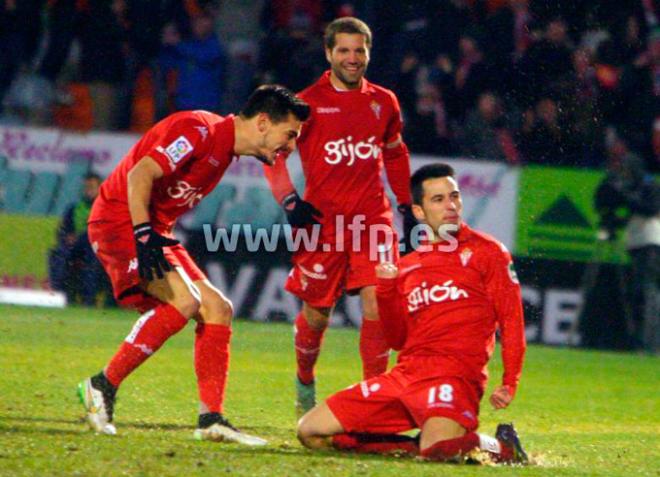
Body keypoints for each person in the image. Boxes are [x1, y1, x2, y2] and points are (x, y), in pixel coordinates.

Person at [77, 85, 310, 443]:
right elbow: (140, 174)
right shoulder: (198, 129)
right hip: (120, 221)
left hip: (152, 230)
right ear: (263, 122)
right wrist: (141, 233)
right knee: (184, 301)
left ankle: (210, 419)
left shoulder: (224, 152)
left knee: (218, 308)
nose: (291, 146)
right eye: (290, 134)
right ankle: (101, 385)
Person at [297, 163, 529, 464]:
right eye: (438, 199)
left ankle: (502, 446)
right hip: (406, 376)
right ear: (419, 212)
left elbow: (511, 319)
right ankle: (416, 446)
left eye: (454, 196)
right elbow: (396, 339)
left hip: (454, 376)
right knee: (310, 432)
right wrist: (387, 291)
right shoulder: (407, 267)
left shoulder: (488, 252)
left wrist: (510, 380)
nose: (451, 206)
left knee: (436, 451)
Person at [263, 17, 416, 417]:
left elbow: (395, 153)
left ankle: (372, 401)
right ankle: (305, 381)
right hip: (322, 224)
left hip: (373, 220)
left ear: (369, 52)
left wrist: (404, 204)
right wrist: (290, 202)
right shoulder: (305, 103)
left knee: (377, 302)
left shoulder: (385, 101)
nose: (353, 58)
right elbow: (274, 156)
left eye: (359, 50)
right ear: (329, 53)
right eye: (344, 51)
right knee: (316, 315)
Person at [48, 173, 107, 306]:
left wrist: (81, 237)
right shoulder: (74, 208)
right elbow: (62, 230)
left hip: (97, 249)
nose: (88, 190)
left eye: (92, 187)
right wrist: (66, 237)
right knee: (57, 254)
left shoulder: (106, 208)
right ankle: (60, 294)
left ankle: (88, 299)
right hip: (75, 249)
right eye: (86, 187)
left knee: (92, 259)